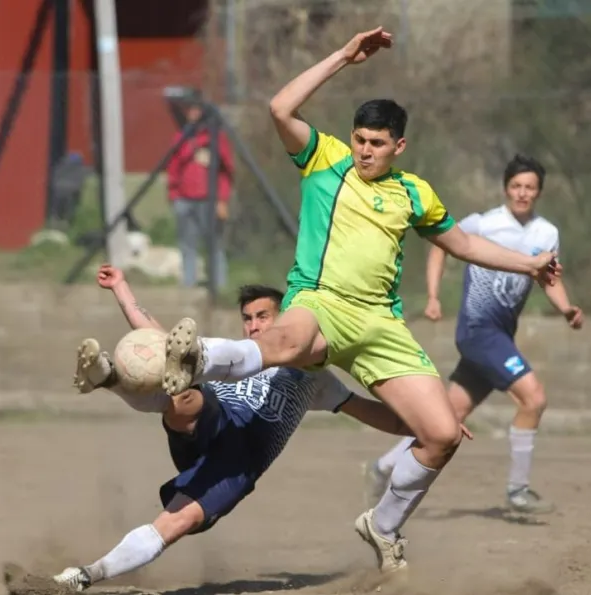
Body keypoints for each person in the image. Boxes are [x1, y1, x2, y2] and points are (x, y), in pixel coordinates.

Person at [158, 27, 560, 573]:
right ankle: (196, 357)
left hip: (380, 325)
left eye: (376, 143)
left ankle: (384, 526)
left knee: (442, 435)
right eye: (360, 139)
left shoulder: (414, 192)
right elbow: (280, 107)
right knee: (285, 342)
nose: (365, 150)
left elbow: (464, 245)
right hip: (320, 301)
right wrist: (343, 57)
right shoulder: (324, 158)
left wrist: (530, 265)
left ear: (399, 147)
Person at [54, 264, 465, 592]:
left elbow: (373, 413)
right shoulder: (231, 358)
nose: (253, 326)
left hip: (240, 460)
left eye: (263, 317)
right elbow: (156, 338)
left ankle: (83, 576)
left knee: (173, 523)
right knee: (186, 394)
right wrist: (121, 288)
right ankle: (110, 377)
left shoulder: (315, 378)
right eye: (247, 319)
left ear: (286, 318)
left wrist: (431, 422)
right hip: (210, 420)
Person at [367, 154, 583, 516]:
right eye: (516, 186)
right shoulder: (483, 224)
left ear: (539, 192)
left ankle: (383, 467)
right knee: (533, 399)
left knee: (448, 418)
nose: (522, 193)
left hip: (502, 334)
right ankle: (518, 490)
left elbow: (548, 278)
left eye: (530, 187)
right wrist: (434, 296)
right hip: (478, 331)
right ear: (506, 188)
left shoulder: (547, 233)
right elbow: (440, 247)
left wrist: (566, 309)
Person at [166, 93, 233, 290]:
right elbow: (173, 167)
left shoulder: (217, 138)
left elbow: (226, 171)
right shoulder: (182, 137)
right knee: (187, 244)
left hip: (209, 199)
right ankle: (189, 284)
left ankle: (218, 285)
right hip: (184, 198)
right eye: (189, 109)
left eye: (196, 109)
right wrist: (174, 195)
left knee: (213, 243)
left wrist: (222, 200)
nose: (192, 113)